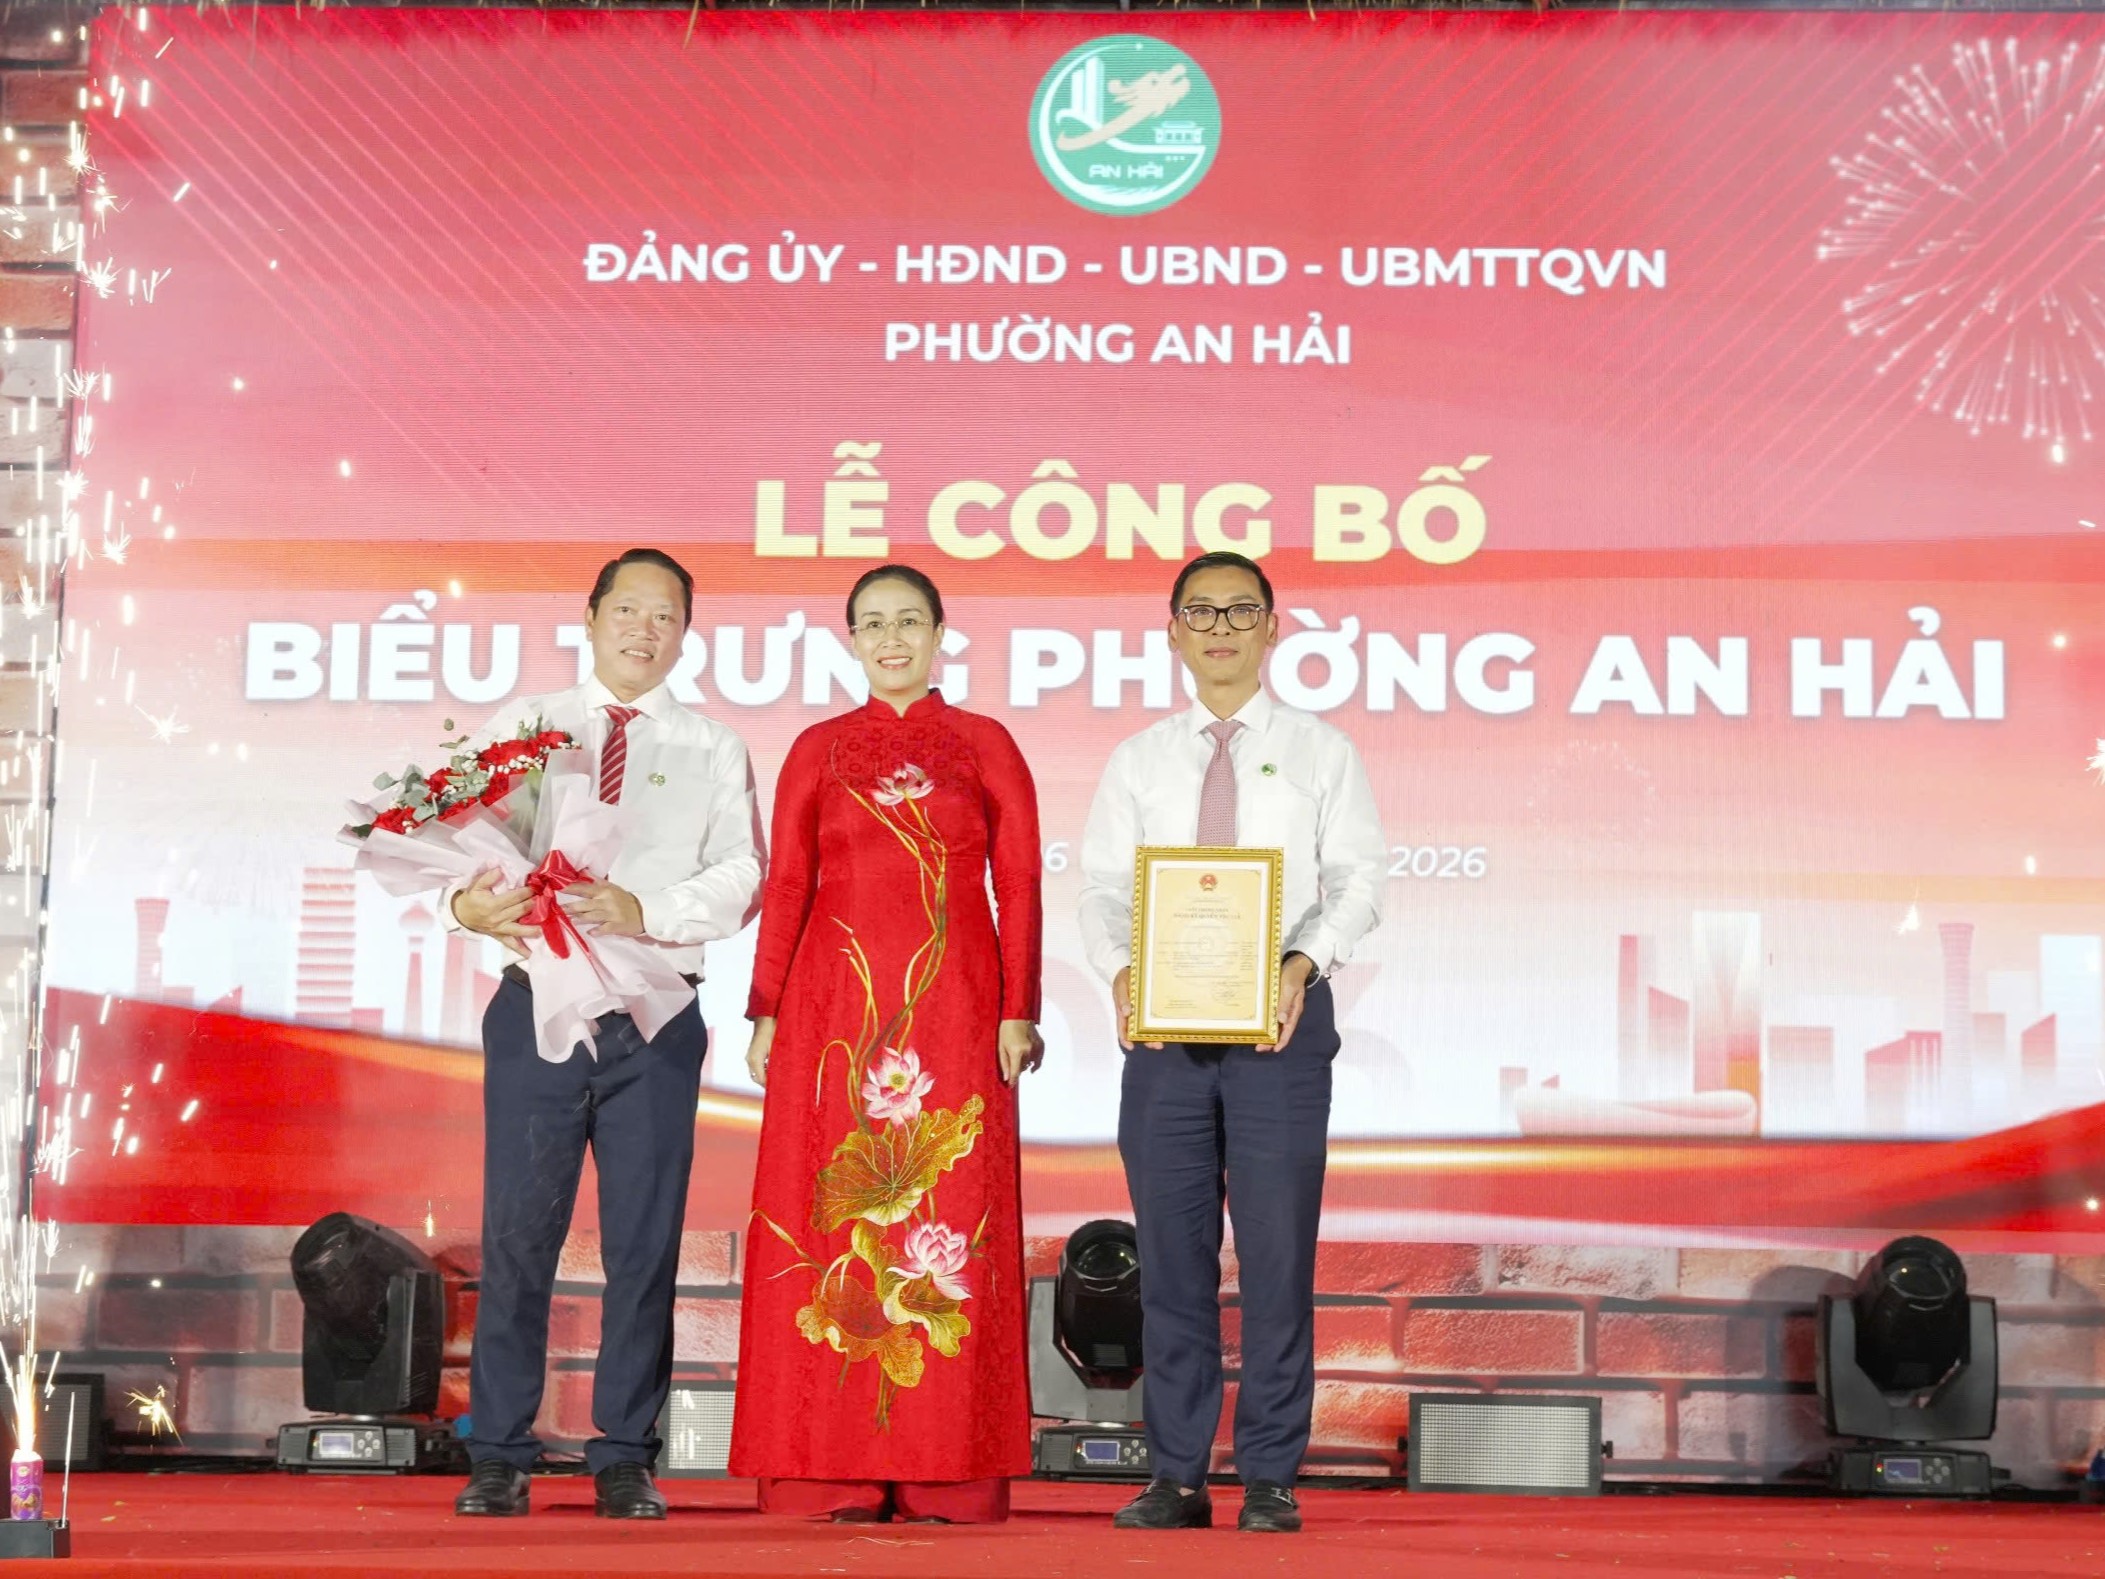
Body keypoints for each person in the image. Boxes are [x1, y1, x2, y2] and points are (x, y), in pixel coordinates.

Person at [447, 548, 764, 1520]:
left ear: (686, 635)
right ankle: (498, 1450)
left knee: (644, 1243)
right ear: (589, 617)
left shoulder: (714, 747)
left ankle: (624, 1452)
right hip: (536, 1009)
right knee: (517, 1236)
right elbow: (455, 842)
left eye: (665, 615)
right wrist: (463, 903)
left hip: (656, 1017)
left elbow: (742, 874)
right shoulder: (525, 727)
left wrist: (645, 908)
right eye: (627, 609)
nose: (644, 629)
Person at [1078, 550, 1385, 1534]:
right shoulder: (1139, 759)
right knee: (1171, 1262)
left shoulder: (1321, 751)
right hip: (1164, 1034)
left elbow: (1358, 881)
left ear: (1271, 628)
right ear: (1171, 630)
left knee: (1276, 1257)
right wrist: (1120, 970)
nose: (1219, 627)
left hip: (1279, 1029)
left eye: (1239, 610)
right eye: (1200, 611)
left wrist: (1301, 963)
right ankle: (1175, 1472)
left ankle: (1269, 1474)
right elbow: (1101, 888)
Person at [730, 563, 1044, 1524]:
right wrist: (765, 1008)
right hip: (831, 1013)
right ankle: (828, 1469)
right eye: (873, 623)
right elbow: (788, 882)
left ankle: (947, 1467)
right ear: (852, 639)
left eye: (910, 620)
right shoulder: (816, 747)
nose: (892, 638)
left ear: (941, 633)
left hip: (954, 1008)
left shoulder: (984, 742)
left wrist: (1017, 1006)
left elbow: (1018, 880)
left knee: (947, 1211)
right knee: (828, 1216)